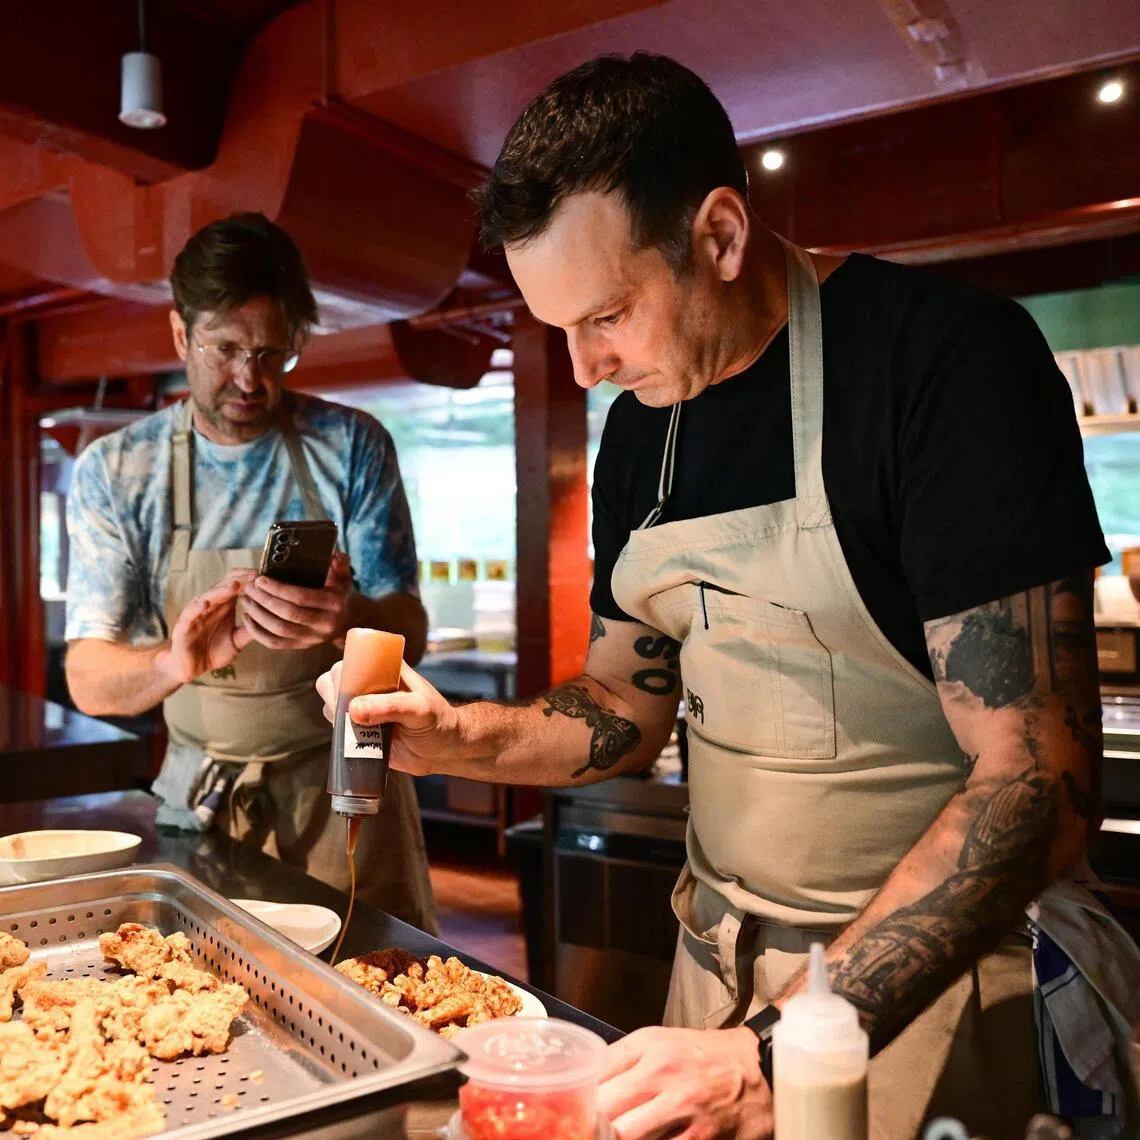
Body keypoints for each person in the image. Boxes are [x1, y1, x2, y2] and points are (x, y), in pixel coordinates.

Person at [317, 55, 1140, 1139]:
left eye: (606, 314)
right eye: (559, 326)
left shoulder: (942, 365)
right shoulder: (641, 431)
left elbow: (1035, 780)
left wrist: (782, 1047)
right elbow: (622, 701)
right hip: (718, 978)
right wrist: (458, 734)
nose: (583, 368)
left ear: (718, 234)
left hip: (941, 992)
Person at [65, 212, 436, 932]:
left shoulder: (351, 446)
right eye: (225, 348)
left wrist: (349, 618)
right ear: (180, 334)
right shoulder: (119, 471)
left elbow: (410, 631)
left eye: (272, 354)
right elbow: (88, 678)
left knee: (375, 999)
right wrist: (173, 662)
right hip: (201, 809)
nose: (248, 378)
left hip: (344, 794)